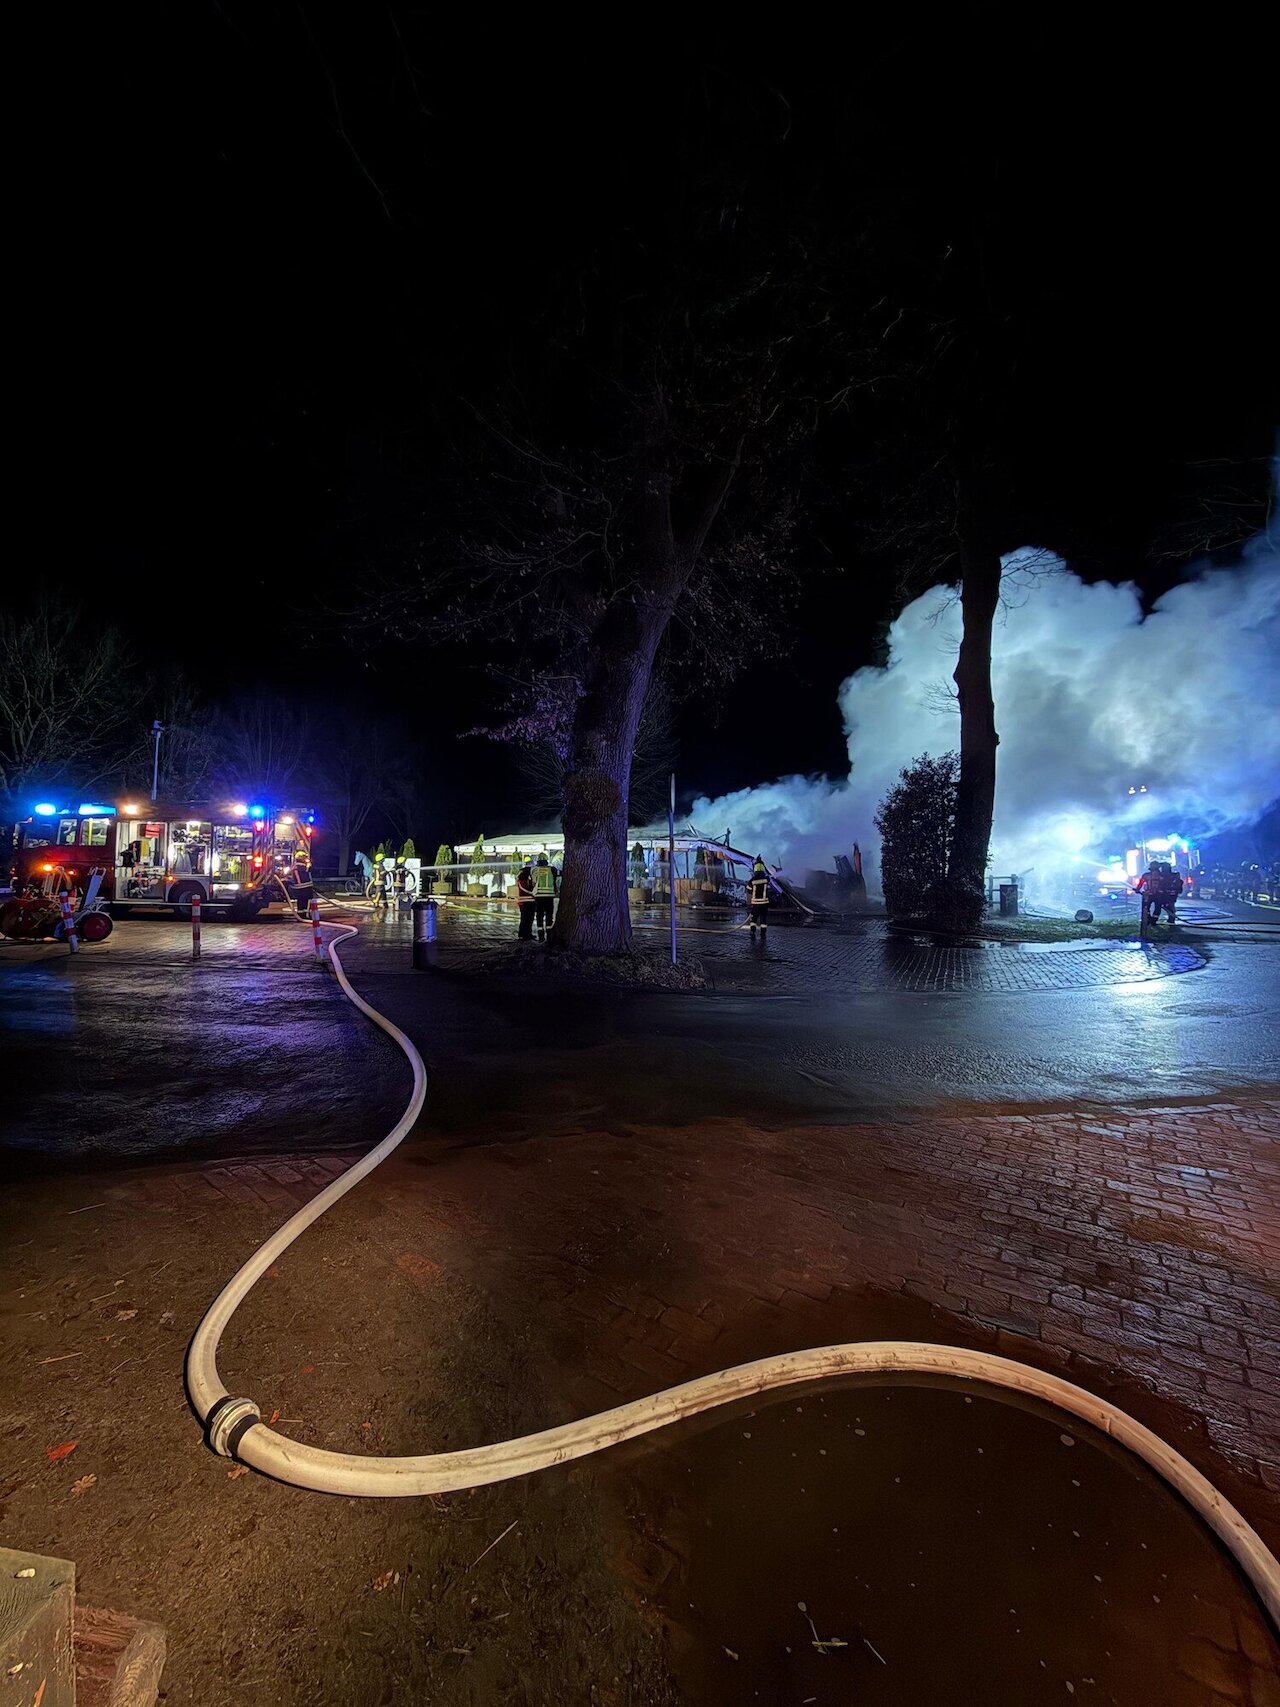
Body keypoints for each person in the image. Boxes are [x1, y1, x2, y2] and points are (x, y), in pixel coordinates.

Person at [532, 853, 557, 936]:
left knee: (539, 915)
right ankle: (549, 935)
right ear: (546, 861)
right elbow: (555, 881)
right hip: (549, 896)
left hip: (539, 896)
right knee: (549, 915)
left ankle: (541, 935)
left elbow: (533, 882)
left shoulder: (534, 870)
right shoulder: (553, 869)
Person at [747, 855, 771, 937]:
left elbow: (749, 890)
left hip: (756, 903)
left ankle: (752, 931)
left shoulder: (752, 880)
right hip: (764, 903)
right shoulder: (766, 879)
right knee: (763, 918)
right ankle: (763, 933)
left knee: (754, 918)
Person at [515, 862, 535, 939]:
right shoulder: (526, 877)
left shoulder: (520, 876)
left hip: (523, 901)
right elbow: (527, 888)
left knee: (525, 918)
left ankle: (523, 934)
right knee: (528, 919)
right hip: (529, 901)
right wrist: (533, 892)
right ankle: (526, 934)